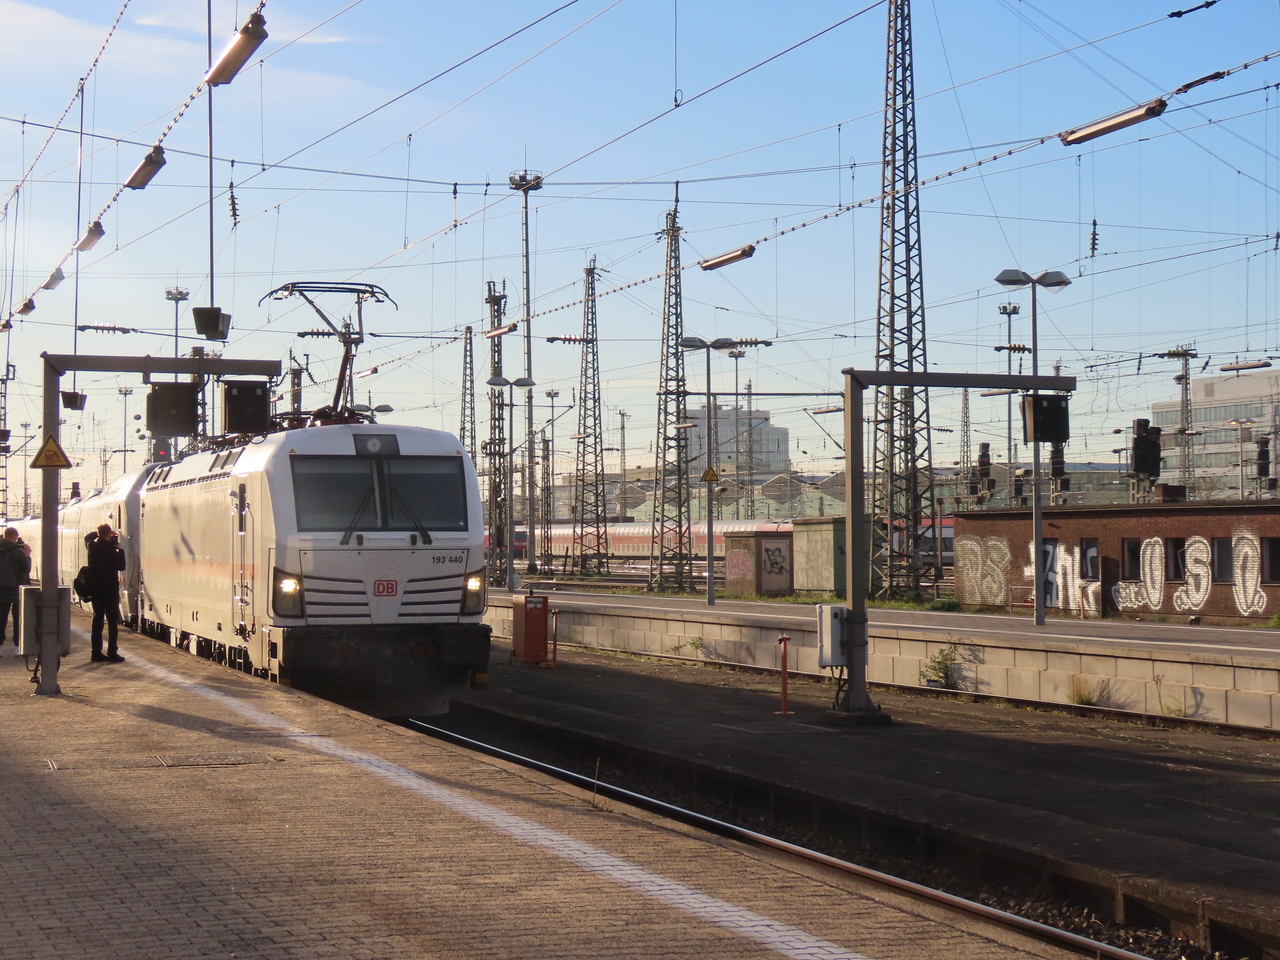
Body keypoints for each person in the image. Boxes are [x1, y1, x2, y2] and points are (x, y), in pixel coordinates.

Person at [85, 523, 127, 663]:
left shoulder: (92, 546)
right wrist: (120, 550)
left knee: (97, 620)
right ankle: (112, 652)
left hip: (96, 589)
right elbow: (122, 566)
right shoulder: (112, 550)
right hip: (110, 590)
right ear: (109, 534)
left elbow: (88, 537)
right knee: (112, 621)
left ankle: (96, 653)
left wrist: (100, 534)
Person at [0, 528, 29, 654]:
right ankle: (18, 647)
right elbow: (26, 569)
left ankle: (0, 647)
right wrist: (27, 555)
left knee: (1, 619)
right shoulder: (18, 551)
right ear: (14, 537)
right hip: (17, 591)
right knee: (18, 619)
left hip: (1, 591)